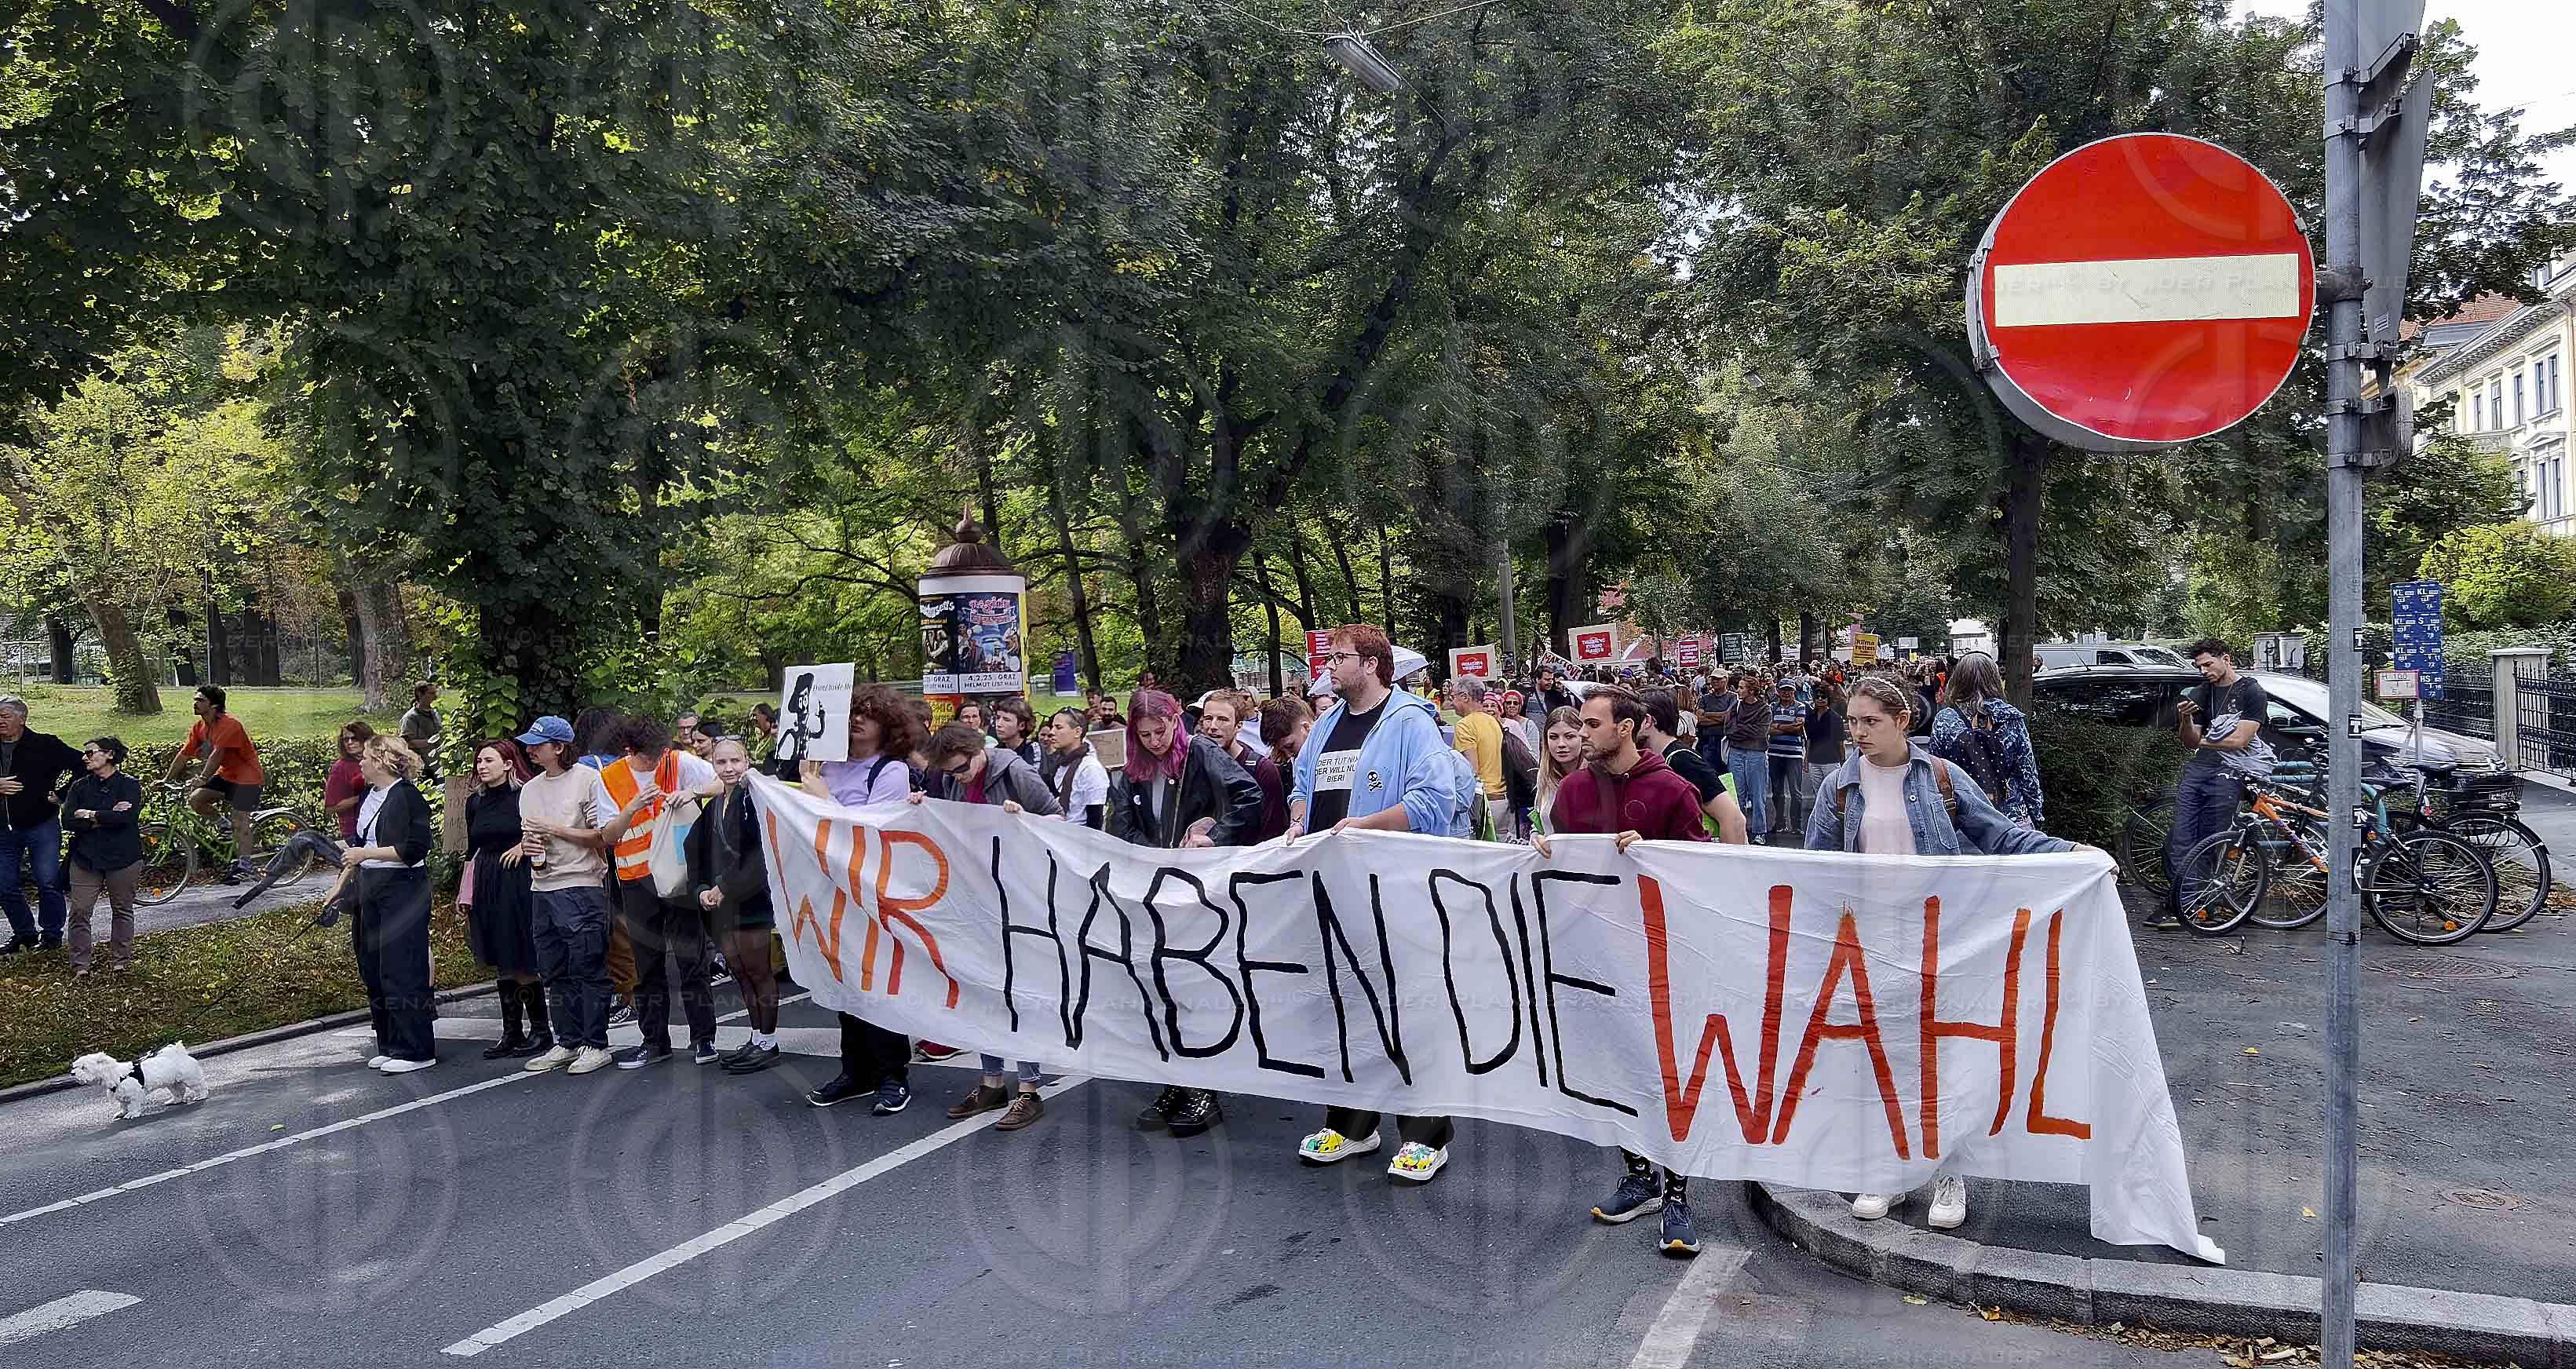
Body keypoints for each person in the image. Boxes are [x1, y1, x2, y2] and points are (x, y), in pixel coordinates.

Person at [1807, 674, 2078, 1232]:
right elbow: (1815, 869)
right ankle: (1890, 1168)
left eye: (1870, 721)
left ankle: (1948, 1170)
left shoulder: (1941, 779)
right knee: (1886, 1057)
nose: (1858, 732)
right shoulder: (1839, 787)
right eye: (1853, 722)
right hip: (1874, 941)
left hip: (1942, 938)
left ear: (1902, 721)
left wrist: (2071, 852)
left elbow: (2002, 835)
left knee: (1944, 1054)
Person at [1529, 685, 1711, 1257]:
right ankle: (1639, 1176)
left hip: (1662, 958)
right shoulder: (1574, 792)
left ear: (1626, 729)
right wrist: (1540, 851)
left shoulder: (1673, 790)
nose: (1579, 734)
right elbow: (1561, 868)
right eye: (1578, 725)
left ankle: (1678, 1191)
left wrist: (1661, 852)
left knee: (1667, 1076)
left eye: (1590, 724)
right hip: (1595, 956)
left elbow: (1706, 870)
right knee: (1613, 1072)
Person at [1285, 623, 1460, 1183]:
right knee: (1346, 1007)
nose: (1329, 667)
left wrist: (1364, 825)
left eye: (1338, 658)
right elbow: (1303, 780)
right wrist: (1296, 815)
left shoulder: (1411, 723)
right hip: (1336, 888)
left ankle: (1426, 1134)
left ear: (1372, 664)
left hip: (1395, 890)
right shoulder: (1330, 722)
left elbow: (1434, 802)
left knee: (1407, 1010)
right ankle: (1353, 1123)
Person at [1112, 689, 1262, 1137]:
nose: (1156, 741)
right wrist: (1154, 860)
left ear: (1176, 721)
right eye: (1145, 735)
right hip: (1155, 893)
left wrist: (1213, 838)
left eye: (1161, 731)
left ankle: (1204, 1089)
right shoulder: (1132, 772)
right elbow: (1121, 827)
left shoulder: (1200, 752)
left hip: (1199, 892)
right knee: (1159, 993)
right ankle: (1174, 1082)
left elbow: (1248, 797)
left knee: (1197, 991)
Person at [910, 721, 1060, 1130]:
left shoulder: (1016, 773)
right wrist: (924, 807)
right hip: (978, 897)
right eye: (951, 773)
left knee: (1016, 993)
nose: (959, 777)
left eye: (962, 768)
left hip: (1019, 900)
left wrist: (1026, 820)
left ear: (979, 750)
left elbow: (1060, 823)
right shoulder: (955, 780)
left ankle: (1029, 1088)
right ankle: (993, 1081)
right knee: (982, 989)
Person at [804, 684, 929, 1112]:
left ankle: (892, 1074)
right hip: (827, 889)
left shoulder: (890, 771)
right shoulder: (826, 765)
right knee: (843, 981)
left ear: (887, 726)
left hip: (870, 892)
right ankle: (855, 1070)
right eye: (853, 712)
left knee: (877, 982)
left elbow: (871, 831)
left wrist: (822, 795)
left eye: (869, 715)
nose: (857, 720)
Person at [597, 715, 722, 1069]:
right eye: (649, 757)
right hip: (636, 880)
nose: (656, 762)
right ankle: (655, 1041)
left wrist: (692, 792)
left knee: (692, 959)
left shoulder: (677, 761)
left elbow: (722, 782)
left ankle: (704, 1040)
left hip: (679, 874)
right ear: (629, 751)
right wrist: (634, 806)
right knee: (647, 964)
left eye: (659, 754)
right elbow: (608, 836)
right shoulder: (609, 779)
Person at [514, 716, 626, 1078]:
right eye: (529, 744)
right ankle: (566, 1040)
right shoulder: (529, 790)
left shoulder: (588, 780)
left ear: (560, 748)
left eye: (538, 744)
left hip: (581, 884)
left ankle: (595, 1044)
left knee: (588, 966)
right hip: (541, 886)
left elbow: (603, 837)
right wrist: (528, 843)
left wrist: (555, 829)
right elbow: (528, 835)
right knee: (553, 970)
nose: (530, 750)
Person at [330, 735, 439, 1074]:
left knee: (402, 966)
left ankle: (417, 1049)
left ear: (382, 761)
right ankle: (390, 1041)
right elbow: (359, 845)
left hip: (404, 888)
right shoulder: (370, 795)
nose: (359, 762)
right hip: (370, 886)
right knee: (374, 965)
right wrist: (339, 886)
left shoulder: (408, 796)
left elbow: (415, 849)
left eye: (366, 757)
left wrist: (366, 855)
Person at [691, 737, 783, 1073]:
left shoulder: (753, 798)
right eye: (721, 763)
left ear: (747, 762)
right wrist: (702, 888)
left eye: (735, 761)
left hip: (750, 898)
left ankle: (769, 1042)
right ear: (713, 765)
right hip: (722, 903)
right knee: (740, 972)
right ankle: (756, 1035)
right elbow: (699, 850)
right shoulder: (715, 804)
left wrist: (723, 888)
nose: (729, 769)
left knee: (759, 971)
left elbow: (759, 854)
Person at [2165, 637, 2270, 930]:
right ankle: (2186, 904)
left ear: (2226, 658)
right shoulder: (2203, 692)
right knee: (2182, 839)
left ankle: (2204, 905)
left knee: (2213, 839)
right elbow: (2189, 742)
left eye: (2209, 664)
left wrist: (2204, 741)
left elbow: (2240, 740)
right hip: (2199, 770)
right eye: (2199, 666)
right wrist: (2186, 721)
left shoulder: (2251, 691)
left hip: (2229, 774)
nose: (2204, 671)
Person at [462, 738, 548, 1060]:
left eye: (489, 760)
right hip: (487, 877)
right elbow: (472, 849)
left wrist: (523, 845)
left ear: (509, 764)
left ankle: (540, 1029)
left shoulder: (525, 794)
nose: (482, 767)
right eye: (479, 762)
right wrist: (465, 891)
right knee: (500, 956)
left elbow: (541, 831)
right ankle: (512, 1031)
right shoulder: (475, 802)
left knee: (520, 954)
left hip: (517, 879)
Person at [0, 695, 79, 954]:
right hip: (3, 830)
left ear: (22, 719)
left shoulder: (45, 745)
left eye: (5, 716)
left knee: (47, 882)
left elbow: (85, 764)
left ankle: (52, 936)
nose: (0, 721)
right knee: (4, 885)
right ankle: (24, 934)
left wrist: (63, 794)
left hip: (41, 826)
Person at [1929, 652, 2045, 829]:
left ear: (1957, 679)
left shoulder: (1945, 720)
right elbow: (2027, 774)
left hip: (1964, 820)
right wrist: (2036, 815)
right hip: (2010, 818)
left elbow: (1935, 773)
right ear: (1995, 678)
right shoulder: (2010, 717)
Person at [162, 684, 265, 882]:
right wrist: (166, 779)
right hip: (227, 775)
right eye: (195, 699)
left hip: (248, 778)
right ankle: (223, 825)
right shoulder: (200, 727)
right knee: (196, 800)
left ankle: (245, 864)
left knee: (240, 819)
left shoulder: (230, 725)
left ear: (215, 705)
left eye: (200, 700)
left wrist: (202, 778)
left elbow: (217, 755)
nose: (195, 703)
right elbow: (184, 754)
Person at [60, 736, 143, 975]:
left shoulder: (128, 785)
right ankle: (80, 965)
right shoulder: (80, 786)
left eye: (90, 753)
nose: (84, 757)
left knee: (122, 909)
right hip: (86, 858)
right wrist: (105, 816)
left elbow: (126, 819)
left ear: (109, 754)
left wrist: (90, 814)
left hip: (123, 857)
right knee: (79, 911)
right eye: (84, 753)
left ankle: (121, 961)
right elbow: (68, 821)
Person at [1636, 688, 1749, 845]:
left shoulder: (1681, 760)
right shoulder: (1663, 757)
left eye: (1631, 718)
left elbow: (1734, 820)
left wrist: (1729, 867)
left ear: (1648, 721)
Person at [1195, 689, 1286, 842]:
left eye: (1223, 719)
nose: (1213, 726)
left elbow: (1272, 832)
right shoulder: (1194, 766)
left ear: (1239, 726)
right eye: (1208, 718)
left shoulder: (1262, 769)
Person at [1038, 707, 1112, 830]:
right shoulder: (1059, 763)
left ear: (1077, 732)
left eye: (1059, 727)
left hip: (1078, 840)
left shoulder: (1090, 769)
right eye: (1052, 727)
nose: (1052, 732)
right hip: (1057, 834)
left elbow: (1095, 821)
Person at [1721, 672, 1773, 841]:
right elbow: (1728, 730)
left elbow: (1761, 733)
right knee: (1738, 795)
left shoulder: (1764, 709)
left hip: (1756, 754)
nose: (1738, 690)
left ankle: (1759, 832)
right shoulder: (1735, 706)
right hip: (1736, 753)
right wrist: (1746, 729)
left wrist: (1740, 728)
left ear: (1752, 691)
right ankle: (1740, 830)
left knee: (1757, 795)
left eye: (1742, 687)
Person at [1447, 677, 1509, 818]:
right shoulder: (1493, 721)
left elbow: (1470, 770)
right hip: (1503, 801)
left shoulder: (1465, 725)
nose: (1451, 702)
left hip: (1482, 803)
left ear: (1465, 697)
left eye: (1453, 696)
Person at [1529, 706, 1585, 838]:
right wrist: (1536, 836)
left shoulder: (1598, 778)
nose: (1561, 744)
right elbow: (1540, 823)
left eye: (1569, 736)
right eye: (1554, 737)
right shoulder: (1544, 778)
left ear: (1583, 736)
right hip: (1552, 857)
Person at [1767, 680, 1809, 841]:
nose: (1786, 693)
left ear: (1794, 692)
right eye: (1783, 690)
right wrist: (1788, 727)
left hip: (1794, 755)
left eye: (1789, 690)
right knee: (1777, 792)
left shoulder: (1800, 706)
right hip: (1775, 754)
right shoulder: (1772, 707)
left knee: (1795, 792)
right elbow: (1767, 728)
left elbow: (1797, 729)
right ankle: (1779, 823)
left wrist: (1777, 726)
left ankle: (1797, 826)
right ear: (1778, 691)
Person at [326, 721, 374, 842]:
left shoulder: (378, 760)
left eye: (354, 739)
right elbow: (330, 809)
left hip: (381, 826)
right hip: (354, 831)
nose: (349, 743)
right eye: (346, 739)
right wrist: (362, 797)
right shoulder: (340, 768)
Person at [400, 682, 443, 777]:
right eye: (431, 693)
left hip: (438, 763)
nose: (434, 697)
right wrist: (431, 742)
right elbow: (406, 743)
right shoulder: (410, 718)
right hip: (422, 766)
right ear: (420, 694)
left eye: (435, 693)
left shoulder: (435, 713)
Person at [990, 697, 1042, 768]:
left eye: (1006, 720)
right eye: (998, 718)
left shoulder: (1034, 750)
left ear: (1022, 725)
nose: (999, 724)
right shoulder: (997, 751)